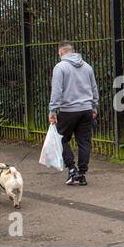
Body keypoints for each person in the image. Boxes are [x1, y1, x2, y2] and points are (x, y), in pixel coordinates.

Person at [48, 40, 99, 186]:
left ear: (61, 52)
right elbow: (94, 89)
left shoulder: (60, 67)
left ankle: (71, 169)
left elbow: (57, 91)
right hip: (86, 110)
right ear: (73, 51)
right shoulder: (87, 67)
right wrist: (94, 107)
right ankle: (82, 174)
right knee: (84, 142)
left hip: (68, 110)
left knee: (60, 139)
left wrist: (53, 110)